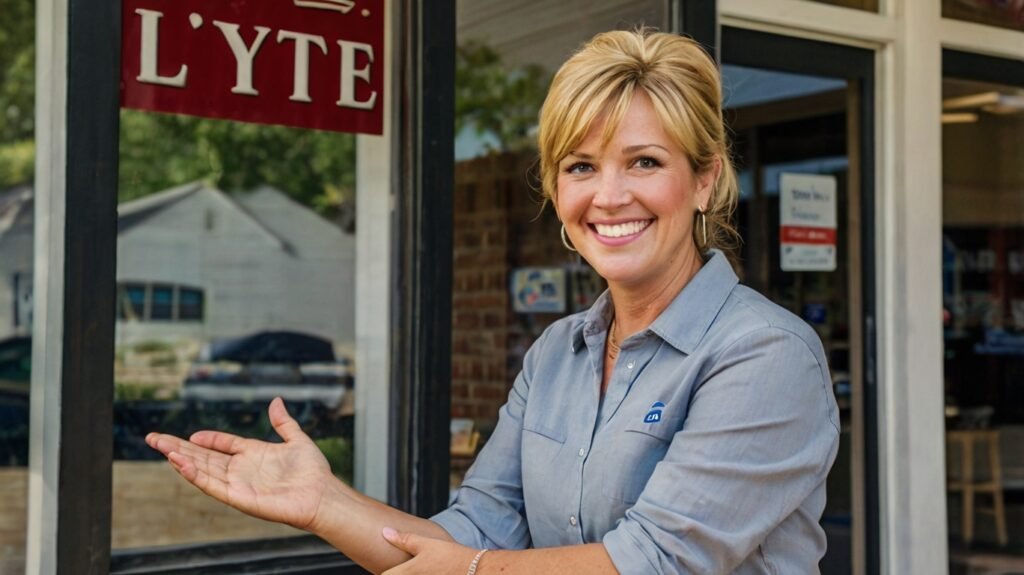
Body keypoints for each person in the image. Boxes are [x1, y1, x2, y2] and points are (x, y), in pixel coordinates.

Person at [146, 29, 839, 575]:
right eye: (581, 167)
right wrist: (328, 505)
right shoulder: (558, 353)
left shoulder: (764, 355)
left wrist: (471, 569)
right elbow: (470, 535)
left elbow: (655, 561)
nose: (610, 195)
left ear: (705, 179)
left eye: (645, 162)